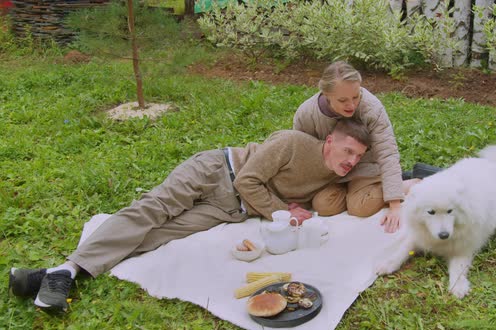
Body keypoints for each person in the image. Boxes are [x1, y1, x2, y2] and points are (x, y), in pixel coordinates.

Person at [9, 118, 369, 313]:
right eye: (347, 151)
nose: (350, 161)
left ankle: (51, 275)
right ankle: (66, 271)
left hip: (227, 210)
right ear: (329, 142)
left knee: (160, 235)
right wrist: (283, 211)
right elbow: (247, 179)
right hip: (216, 171)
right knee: (151, 211)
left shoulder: (337, 176)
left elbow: (379, 179)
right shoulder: (292, 142)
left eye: (357, 157)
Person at [294, 61, 440, 233]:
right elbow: (301, 155)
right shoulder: (306, 114)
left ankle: (412, 182)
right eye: (343, 100)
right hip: (331, 173)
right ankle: (375, 186)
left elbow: (387, 153)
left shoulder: (372, 108)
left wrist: (394, 205)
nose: (351, 105)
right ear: (326, 94)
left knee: (360, 208)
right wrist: (294, 200)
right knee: (323, 205)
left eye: (356, 97)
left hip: (364, 167)